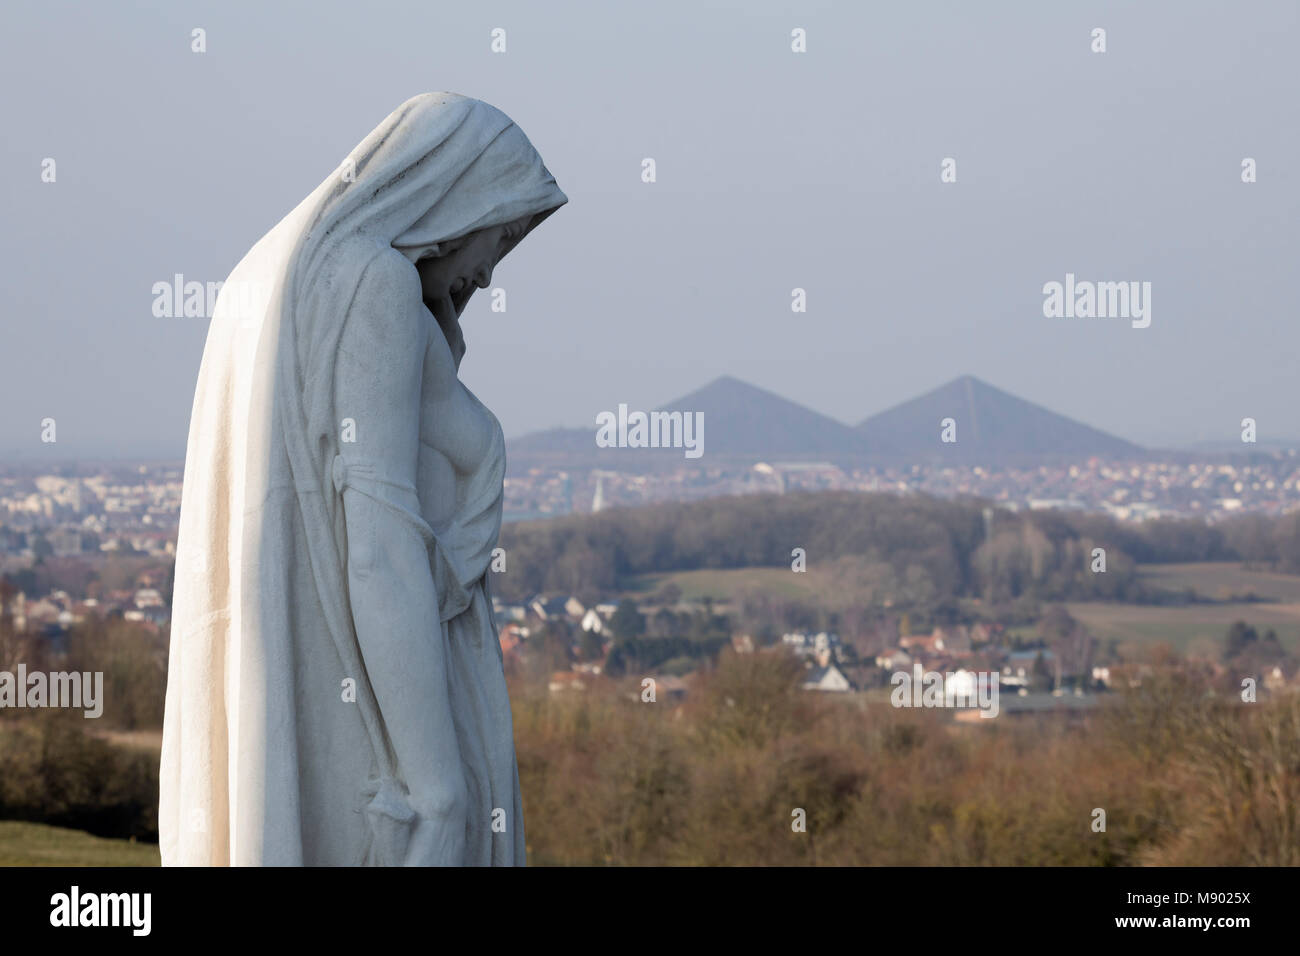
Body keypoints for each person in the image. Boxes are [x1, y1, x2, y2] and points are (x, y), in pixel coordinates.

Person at [160, 93, 567, 865]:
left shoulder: (274, 275)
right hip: (398, 700)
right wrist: (433, 784)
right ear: (453, 190)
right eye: (505, 232)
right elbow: (377, 547)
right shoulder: (370, 286)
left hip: (314, 679)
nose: (491, 266)